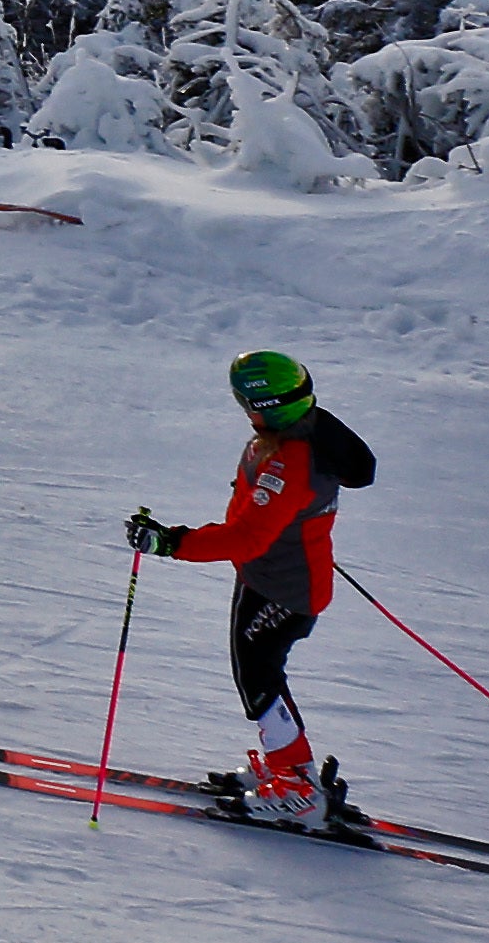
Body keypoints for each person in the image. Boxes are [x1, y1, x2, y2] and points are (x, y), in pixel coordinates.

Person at [125, 347, 379, 827]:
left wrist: (168, 542)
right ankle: (293, 769)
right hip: (269, 575)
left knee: (259, 680)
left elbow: (247, 535)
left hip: (286, 588)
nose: (242, 411)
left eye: (244, 402)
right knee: (256, 676)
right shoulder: (289, 435)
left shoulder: (291, 459)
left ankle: (297, 789)